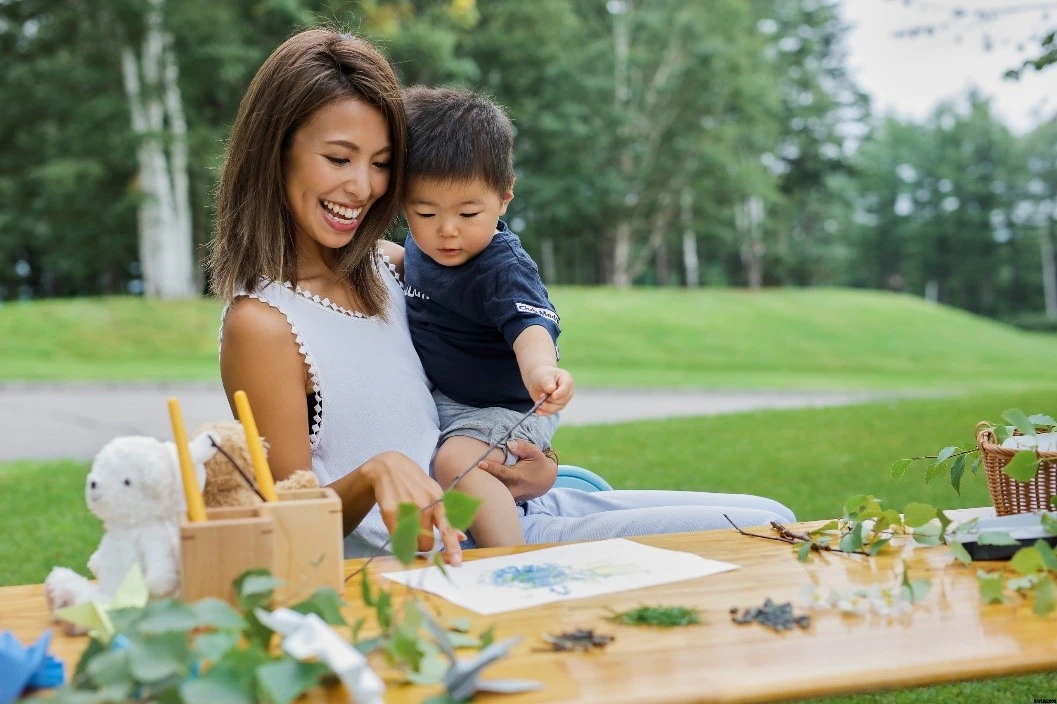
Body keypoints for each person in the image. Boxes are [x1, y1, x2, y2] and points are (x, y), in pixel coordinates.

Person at [210, 28, 796, 565]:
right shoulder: (264, 324)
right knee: (760, 540)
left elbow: (496, 347)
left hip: (512, 505)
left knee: (773, 518)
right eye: (339, 158)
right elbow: (293, 528)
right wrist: (375, 475)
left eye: (382, 164)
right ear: (275, 152)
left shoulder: (390, 268)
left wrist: (535, 469)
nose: (362, 186)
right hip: (463, 551)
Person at [400, 87, 571, 548]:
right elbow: (416, 268)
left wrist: (541, 371)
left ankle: (507, 558)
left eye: (469, 212)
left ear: (504, 197)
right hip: (449, 398)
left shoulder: (502, 269)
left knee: (456, 462)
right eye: (425, 211)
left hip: (504, 408)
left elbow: (531, 328)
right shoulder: (421, 246)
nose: (447, 229)